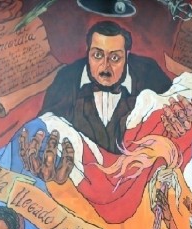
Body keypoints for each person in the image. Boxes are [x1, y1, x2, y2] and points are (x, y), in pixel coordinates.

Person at [39, 21, 172, 155]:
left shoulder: (149, 74)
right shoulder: (66, 79)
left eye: (114, 58)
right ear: (88, 53)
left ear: (127, 55)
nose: (105, 67)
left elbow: (172, 120)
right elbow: (44, 128)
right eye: (97, 55)